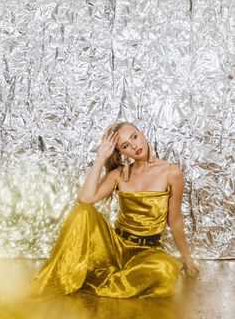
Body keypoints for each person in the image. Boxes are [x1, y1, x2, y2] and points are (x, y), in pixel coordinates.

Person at [30, 121, 199, 299]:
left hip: (147, 251)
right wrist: (100, 158)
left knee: (166, 270)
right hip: (115, 247)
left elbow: (175, 221)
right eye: (125, 145)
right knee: (82, 211)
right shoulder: (119, 174)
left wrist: (186, 258)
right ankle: (86, 277)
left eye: (134, 137)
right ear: (121, 152)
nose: (134, 146)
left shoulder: (171, 172)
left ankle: (95, 279)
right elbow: (85, 199)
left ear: (142, 133)